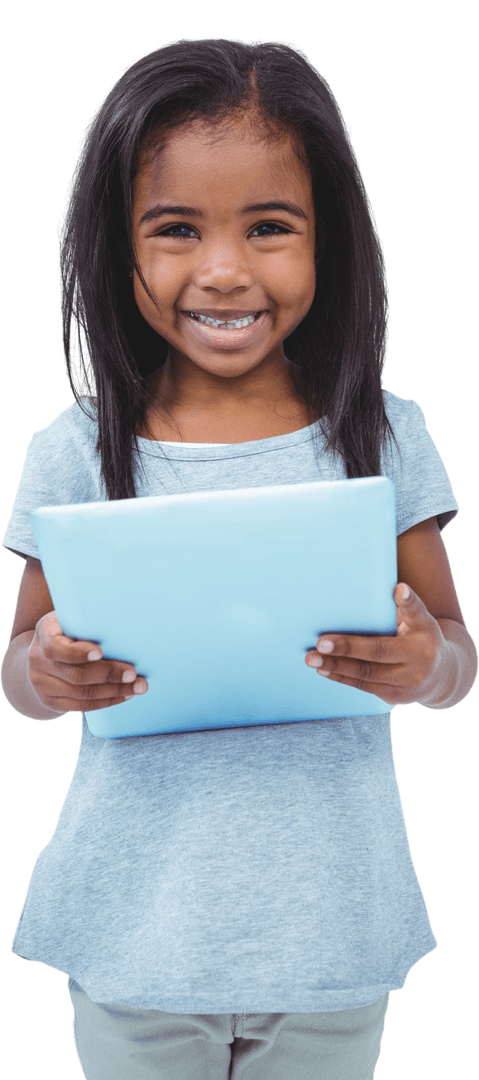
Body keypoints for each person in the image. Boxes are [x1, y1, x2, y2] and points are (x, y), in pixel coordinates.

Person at [1, 36, 477, 1080]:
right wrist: (46, 673)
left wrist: (424, 665)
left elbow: (452, 653)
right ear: (118, 249)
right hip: (135, 932)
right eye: (175, 229)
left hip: (331, 936)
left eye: (269, 227)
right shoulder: (74, 449)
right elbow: (20, 672)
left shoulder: (384, 435)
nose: (222, 270)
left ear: (329, 243)